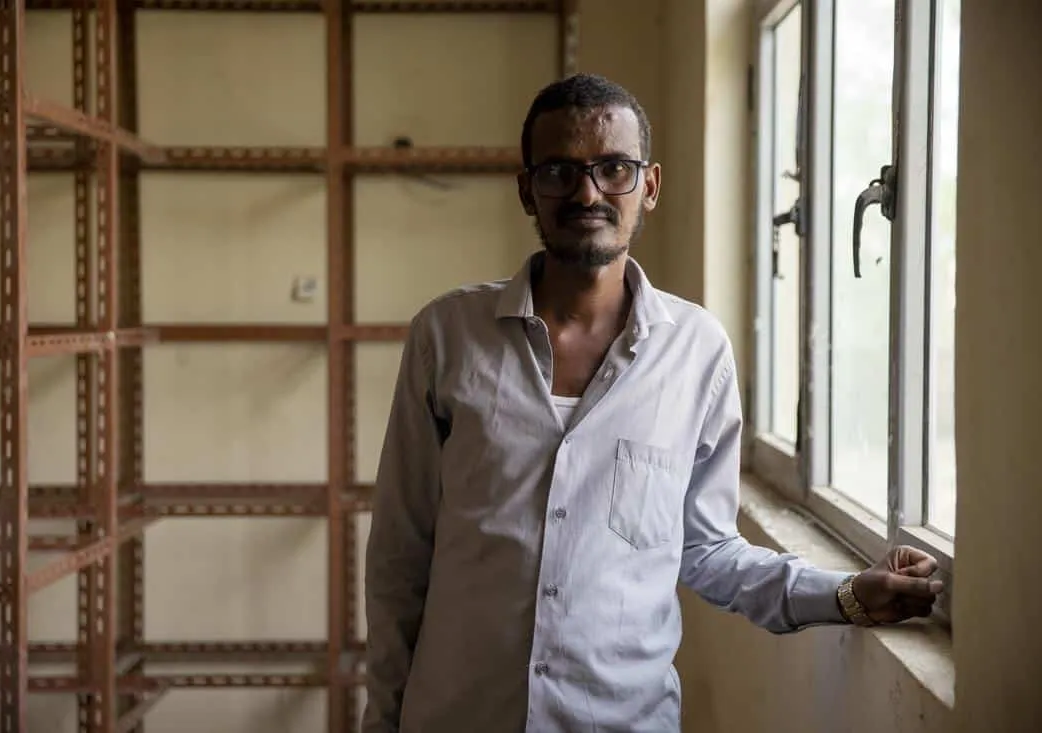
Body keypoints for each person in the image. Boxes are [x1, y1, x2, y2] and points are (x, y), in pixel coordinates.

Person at [360, 73, 944, 733]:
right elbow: (398, 560)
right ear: (527, 189)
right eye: (559, 170)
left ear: (650, 186)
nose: (587, 192)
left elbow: (707, 548)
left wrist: (843, 594)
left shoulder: (696, 353)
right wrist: (382, 717)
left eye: (614, 168)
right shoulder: (448, 336)